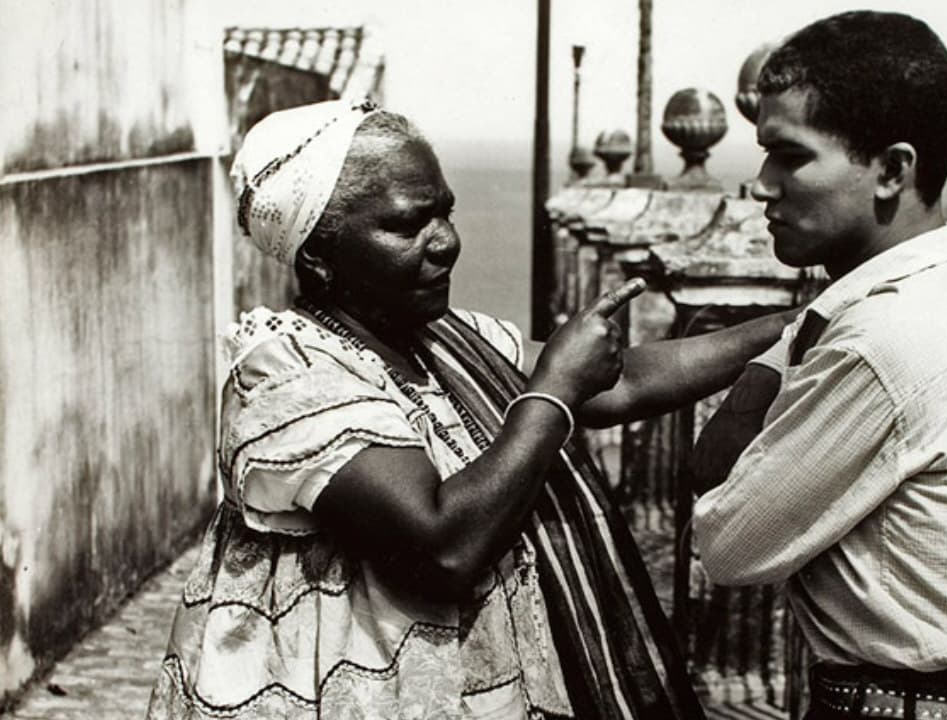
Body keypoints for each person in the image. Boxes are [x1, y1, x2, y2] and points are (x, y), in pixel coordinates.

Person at [147, 100, 795, 720]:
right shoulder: (288, 374)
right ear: (317, 253)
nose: (446, 242)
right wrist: (551, 394)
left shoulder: (442, 337)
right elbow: (442, 547)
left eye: (444, 214)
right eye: (407, 225)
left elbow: (618, 381)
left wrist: (795, 325)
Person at [688, 12, 947, 720]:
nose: (762, 184)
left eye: (791, 156)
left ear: (892, 170)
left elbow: (726, 541)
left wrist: (783, 352)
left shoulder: (882, 339)